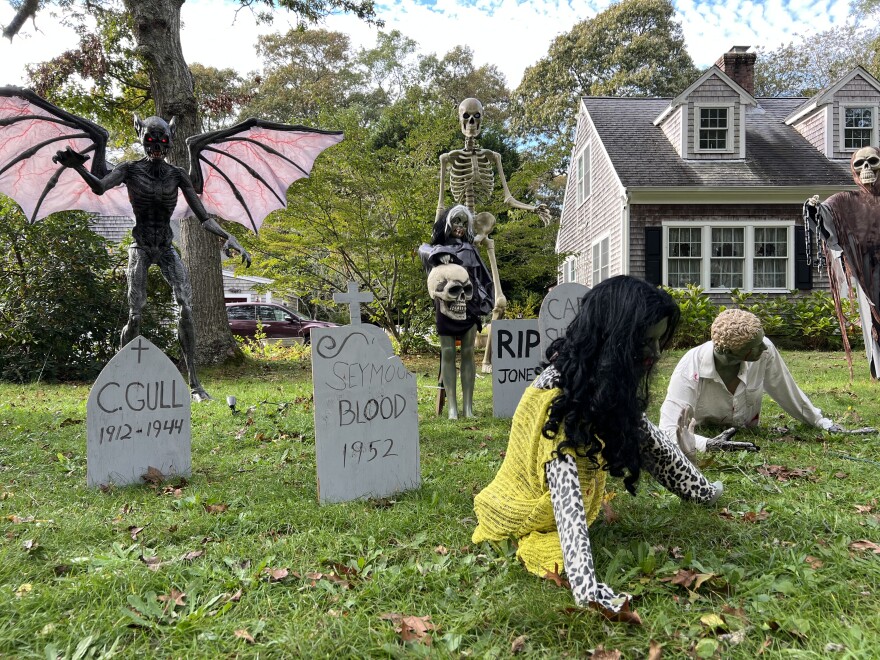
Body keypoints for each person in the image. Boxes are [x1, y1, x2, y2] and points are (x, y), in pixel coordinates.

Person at [472, 276, 722, 616]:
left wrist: (703, 491)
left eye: (659, 340)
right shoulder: (557, 402)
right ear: (614, 339)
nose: (655, 352)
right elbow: (564, 490)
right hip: (525, 502)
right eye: (645, 342)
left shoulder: (596, 379)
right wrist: (587, 587)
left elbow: (650, 443)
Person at [54, 115, 250, 402]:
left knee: (185, 305)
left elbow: (203, 217)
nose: (156, 146)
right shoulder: (130, 170)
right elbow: (99, 187)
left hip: (167, 247)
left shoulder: (178, 175)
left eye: (162, 140)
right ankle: (122, 378)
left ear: (169, 140)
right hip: (141, 246)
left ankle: (195, 384)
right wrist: (78, 168)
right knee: (136, 312)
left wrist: (228, 236)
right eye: (150, 140)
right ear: (140, 137)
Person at [660, 309, 874, 460]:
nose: (764, 347)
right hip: (705, 432)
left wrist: (823, 423)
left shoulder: (764, 351)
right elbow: (668, 429)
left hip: (747, 429)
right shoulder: (690, 368)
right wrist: (708, 445)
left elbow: (788, 392)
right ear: (727, 352)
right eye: (755, 346)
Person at [419, 205, 494, 418]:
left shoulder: (471, 250)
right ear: (447, 224)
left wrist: (483, 303)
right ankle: (452, 408)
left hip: (468, 304)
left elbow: (483, 279)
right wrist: (439, 253)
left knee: (469, 352)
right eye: (456, 222)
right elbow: (423, 249)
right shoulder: (436, 248)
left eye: (463, 222)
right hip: (445, 305)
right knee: (448, 352)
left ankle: (468, 408)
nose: (459, 227)